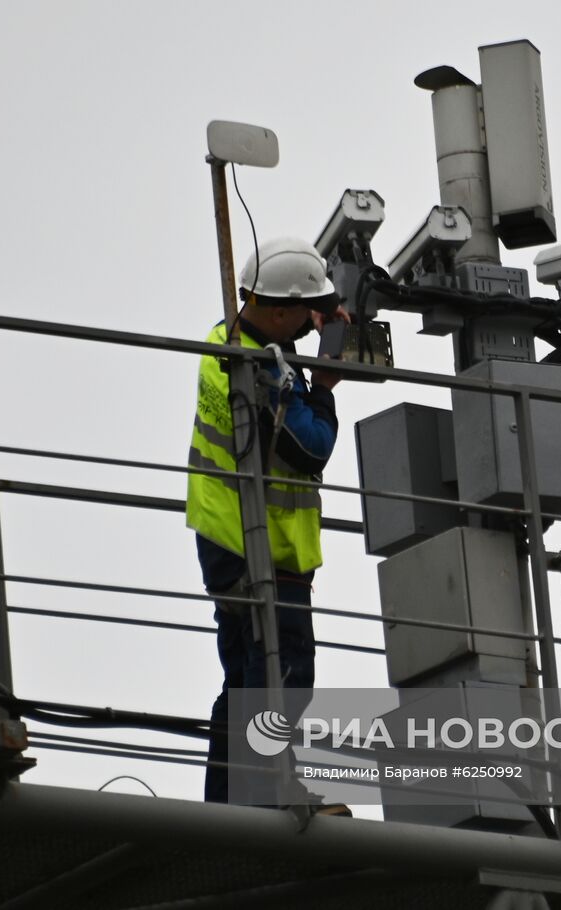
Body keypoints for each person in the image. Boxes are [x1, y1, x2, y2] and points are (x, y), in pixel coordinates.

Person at [186, 236, 347, 808]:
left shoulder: (224, 339)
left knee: (245, 680)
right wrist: (323, 386)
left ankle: (228, 800)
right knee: (282, 676)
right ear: (278, 310)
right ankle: (268, 795)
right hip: (264, 549)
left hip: (225, 540)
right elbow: (311, 447)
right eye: (306, 314)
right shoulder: (260, 369)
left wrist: (322, 310)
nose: (311, 326)